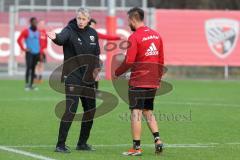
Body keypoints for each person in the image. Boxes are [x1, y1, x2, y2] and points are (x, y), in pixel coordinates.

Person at [47, 8, 100, 153]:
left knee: (90, 111)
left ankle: (82, 143)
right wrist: (55, 37)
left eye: (83, 19)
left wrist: (97, 69)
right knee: (71, 110)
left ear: (88, 20)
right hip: (73, 76)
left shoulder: (93, 34)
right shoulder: (69, 30)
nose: (81, 21)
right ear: (76, 18)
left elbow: (96, 54)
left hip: (88, 79)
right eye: (79, 18)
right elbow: (61, 38)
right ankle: (60, 144)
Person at [114, 7, 164, 156]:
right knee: (148, 110)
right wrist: (158, 78)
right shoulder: (156, 35)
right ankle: (158, 140)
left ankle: (136, 148)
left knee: (136, 112)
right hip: (153, 80)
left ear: (132, 19)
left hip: (138, 81)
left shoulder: (135, 37)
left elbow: (129, 61)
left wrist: (117, 72)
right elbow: (161, 60)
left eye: (128, 20)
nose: (128, 23)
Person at [88, 18, 121, 93]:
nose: (93, 27)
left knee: (95, 73)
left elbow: (106, 37)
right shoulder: (82, 33)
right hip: (86, 56)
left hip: (95, 56)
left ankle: (95, 91)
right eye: (93, 25)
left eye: (94, 25)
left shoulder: (95, 33)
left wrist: (118, 38)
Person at [17, 17, 40, 91]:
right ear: (31, 23)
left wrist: (40, 52)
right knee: (28, 67)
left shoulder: (38, 32)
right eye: (34, 22)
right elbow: (19, 40)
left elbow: (38, 42)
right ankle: (27, 85)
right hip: (29, 53)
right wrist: (23, 49)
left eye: (36, 22)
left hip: (37, 53)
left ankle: (32, 84)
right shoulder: (26, 31)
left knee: (33, 68)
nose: (35, 23)